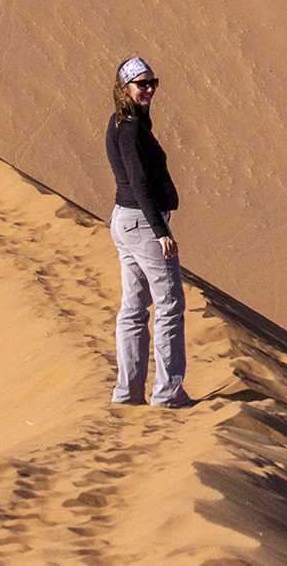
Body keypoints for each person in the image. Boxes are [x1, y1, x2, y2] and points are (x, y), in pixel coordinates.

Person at [105, 56, 191, 407]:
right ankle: (168, 392)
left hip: (125, 221)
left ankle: (128, 392)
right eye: (142, 84)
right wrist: (160, 230)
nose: (149, 89)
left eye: (152, 82)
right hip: (142, 223)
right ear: (124, 88)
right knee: (169, 304)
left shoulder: (119, 124)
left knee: (134, 306)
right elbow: (138, 180)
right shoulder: (130, 128)